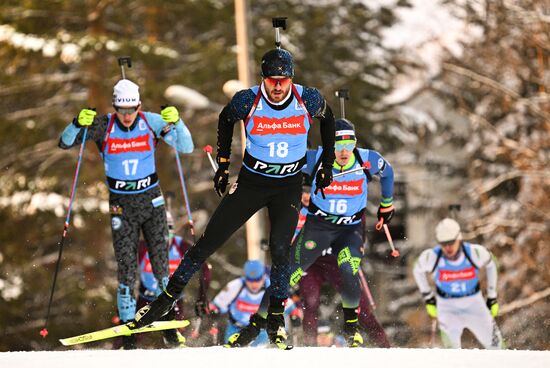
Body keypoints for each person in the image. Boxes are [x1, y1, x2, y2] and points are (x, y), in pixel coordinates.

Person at [132, 46, 336, 349]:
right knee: (208, 242)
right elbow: (225, 119)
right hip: (253, 182)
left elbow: (328, 117)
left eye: (283, 80)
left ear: (291, 79)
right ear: (263, 79)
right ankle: (165, 300)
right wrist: (223, 164)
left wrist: (328, 163)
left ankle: (276, 320)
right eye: (272, 80)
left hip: (288, 186)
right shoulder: (247, 99)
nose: (278, 87)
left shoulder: (307, 98)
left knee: (281, 251)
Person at [226, 118, 395, 347]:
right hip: (319, 228)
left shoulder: (368, 160)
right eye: (337, 145)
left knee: (349, 269)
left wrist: (387, 203)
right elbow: (281, 163)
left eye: (349, 144)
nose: (344, 151)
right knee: (286, 276)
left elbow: (388, 173)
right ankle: (255, 326)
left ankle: (351, 328)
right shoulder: (315, 158)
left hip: (350, 228)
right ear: (328, 145)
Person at [58, 79, 194, 349]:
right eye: (122, 110)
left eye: (132, 109)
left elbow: (186, 147)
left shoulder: (151, 122)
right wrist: (75, 123)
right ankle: (129, 335)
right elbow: (65, 143)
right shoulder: (104, 125)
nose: (128, 116)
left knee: (161, 266)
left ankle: (168, 325)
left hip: (151, 201)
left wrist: (178, 123)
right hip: (121, 203)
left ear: (139, 106)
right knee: (127, 269)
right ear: (115, 108)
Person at [412, 218, 504, 349]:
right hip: (447, 308)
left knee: (498, 347)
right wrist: (429, 298)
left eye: (451, 242)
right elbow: (417, 269)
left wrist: (492, 296)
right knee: (452, 353)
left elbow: (492, 264)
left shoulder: (475, 252)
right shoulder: (431, 257)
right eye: (443, 244)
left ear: (459, 238)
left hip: (475, 305)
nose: (448, 248)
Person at [136, 211, 211, 348]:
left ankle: (175, 348)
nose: (161, 241)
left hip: (172, 300)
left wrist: (202, 297)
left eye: (166, 233)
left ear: (172, 230)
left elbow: (204, 269)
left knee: (173, 338)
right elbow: (125, 271)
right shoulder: (141, 247)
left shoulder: (181, 246)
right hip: (146, 298)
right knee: (133, 333)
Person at [299, 253, 391, 347]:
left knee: (360, 306)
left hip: (337, 260)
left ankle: (384, 346)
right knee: (309, 303)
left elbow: (356, 240)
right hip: (311, 261)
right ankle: (310, 346)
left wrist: (356, 248)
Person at [209, 260, 300, 347]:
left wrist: (294, 315)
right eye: (250, 280)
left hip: (261, 331)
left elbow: (287, 305)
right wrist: (214, 310)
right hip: (236, 329)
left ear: (263, 276)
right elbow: (217, 304)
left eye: (257, 280)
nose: (254, 284)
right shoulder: (236, 286)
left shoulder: (271, 286)